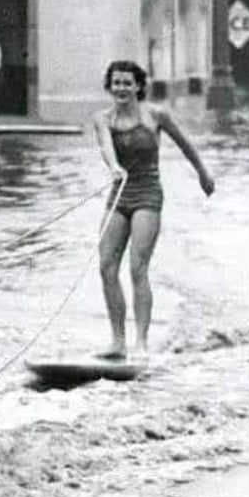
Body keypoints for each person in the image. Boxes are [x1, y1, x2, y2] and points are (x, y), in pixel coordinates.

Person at [92, 60, 215, 361]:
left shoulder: (155, 115)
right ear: (110, 86)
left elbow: (186, 145)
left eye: (127, 83)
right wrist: (114, 166)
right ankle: (118, 342)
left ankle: (141, 343)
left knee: (137, 268)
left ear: (137, 86)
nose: (121, 88)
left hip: (148, 195)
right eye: (116, 82)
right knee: (106, 266)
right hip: (119, 194)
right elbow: (107, 148)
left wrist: (203, 174)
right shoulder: (102, 118)